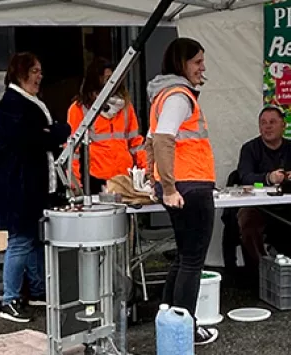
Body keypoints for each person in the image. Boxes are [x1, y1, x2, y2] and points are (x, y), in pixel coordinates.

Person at [146, 38, 218, 345]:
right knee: (192, 260)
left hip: (180, 186)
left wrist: (156, 182)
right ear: (181, 63)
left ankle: (169, 322)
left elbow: (150, 142)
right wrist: (169, 186)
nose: (202, 67)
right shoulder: (179, 95)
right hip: (191, 186)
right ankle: (183, 329)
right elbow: (162, 140)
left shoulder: (163, 95)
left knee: (183, 258)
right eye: (197, 61)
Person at [0, 52, 71, 322]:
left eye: (40, 70)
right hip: (20, 186)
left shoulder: (28, 101)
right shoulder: (12, 104)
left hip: (36, 184)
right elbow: (31, 141)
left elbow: (44, 135)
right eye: (35, 70)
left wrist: (52, 132)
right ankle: (10, 298)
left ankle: (38, 290)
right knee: (20, 240)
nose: (40, 76)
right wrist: (55, 133)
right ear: (20, 72)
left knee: (36, 239)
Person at [237, 105, 291, 272]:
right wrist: (268, 178)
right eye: (263, 123)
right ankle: (262, 271)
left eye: (272, 122)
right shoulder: (250, 149)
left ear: (283, 125)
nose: (267, 127)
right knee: (247, 222)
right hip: (258, 207)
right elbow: (244, 176)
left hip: (289, 205)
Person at [67, 57, 146, 193]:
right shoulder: (79, 109)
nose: (112, 82)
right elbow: (73, 149)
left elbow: (136, 144)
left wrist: (146, 171)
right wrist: (75, 184)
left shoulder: (126, 107)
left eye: (113, 77)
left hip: (124, 178)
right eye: (107, 78)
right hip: (94, 180)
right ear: (95, 79)